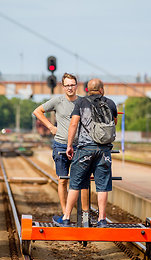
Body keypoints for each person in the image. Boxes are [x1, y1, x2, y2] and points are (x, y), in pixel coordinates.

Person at [33, 73, 88, 225]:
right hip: (61, 145)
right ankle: (66, 214)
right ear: (63, 87)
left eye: (72, 85)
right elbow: (37, 111)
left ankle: (84, 215)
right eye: (67, 85)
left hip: (80, 146)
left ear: (77, 86)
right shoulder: (58, 100)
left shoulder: (83, 101)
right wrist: (50, 127)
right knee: (63, 180)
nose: (70, 88)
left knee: (82, 182)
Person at [62, 78, 117, 228]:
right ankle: (102, 219)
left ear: (87, 89)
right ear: (101, 89)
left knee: (75, 183)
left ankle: (66, 217)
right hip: (104, 150)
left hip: (85, 149)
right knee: (102, 185)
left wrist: (69, 145)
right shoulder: (110, 103)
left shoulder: (81, 103)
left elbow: (74, 124)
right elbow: (114, 123)